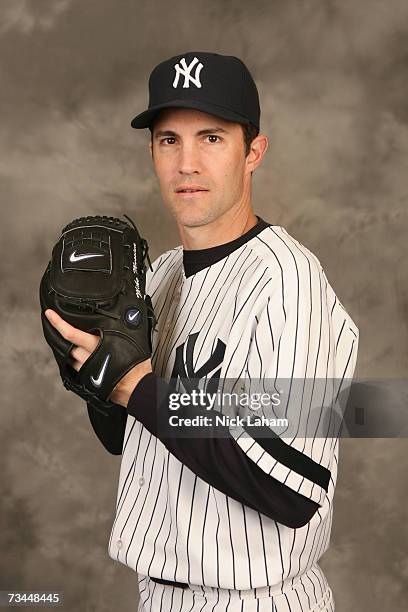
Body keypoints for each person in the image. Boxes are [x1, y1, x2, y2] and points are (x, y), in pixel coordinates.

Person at [44, 51, 359, 611]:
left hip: (257, 600)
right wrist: (96, 380)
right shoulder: (158, 273)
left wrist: (135, 387)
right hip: (159, 596)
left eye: (211, 138)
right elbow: (130, 438)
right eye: (170, 140)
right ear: (152, 152)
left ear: (253, 152)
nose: (186, 162)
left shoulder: (286, 279)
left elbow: (288, 485)